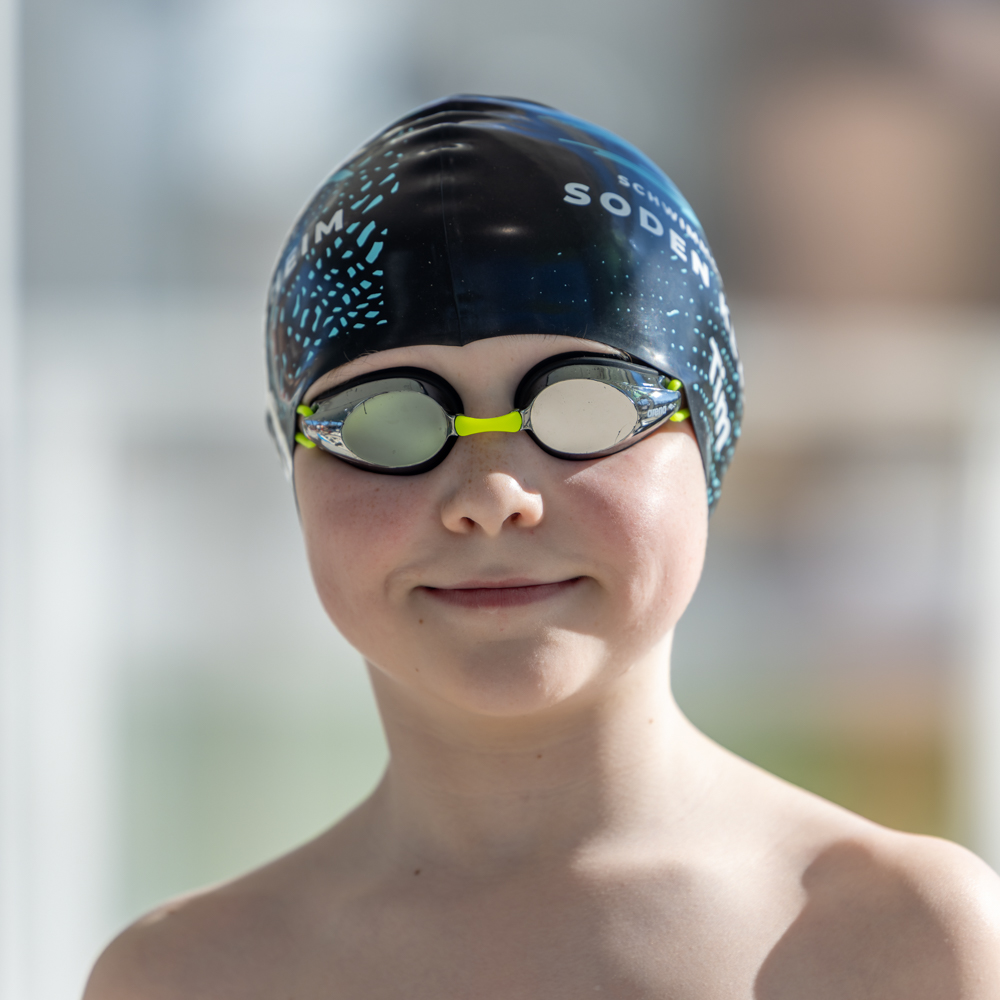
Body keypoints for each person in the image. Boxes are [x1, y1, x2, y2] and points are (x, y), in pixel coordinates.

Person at [85, 95, 1000, 999]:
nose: (491, 497)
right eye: (387, 420)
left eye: (584, 405)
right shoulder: (183, 979)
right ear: (295, 472)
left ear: (711, 442)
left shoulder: (903, 942)